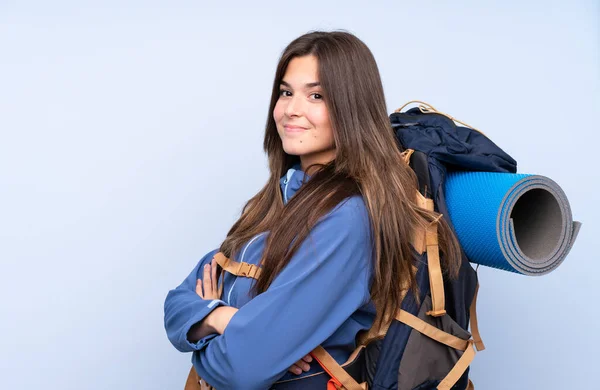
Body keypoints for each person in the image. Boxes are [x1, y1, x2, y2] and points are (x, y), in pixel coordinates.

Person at [163, 30, 462, 390]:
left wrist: (210, 326)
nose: (291, 109)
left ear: (351, 108)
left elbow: (241, 368)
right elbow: (177, 304)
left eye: (316, 95)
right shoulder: (277, 197)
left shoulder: (347, 217)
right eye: (286, 92)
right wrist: (223, 319)